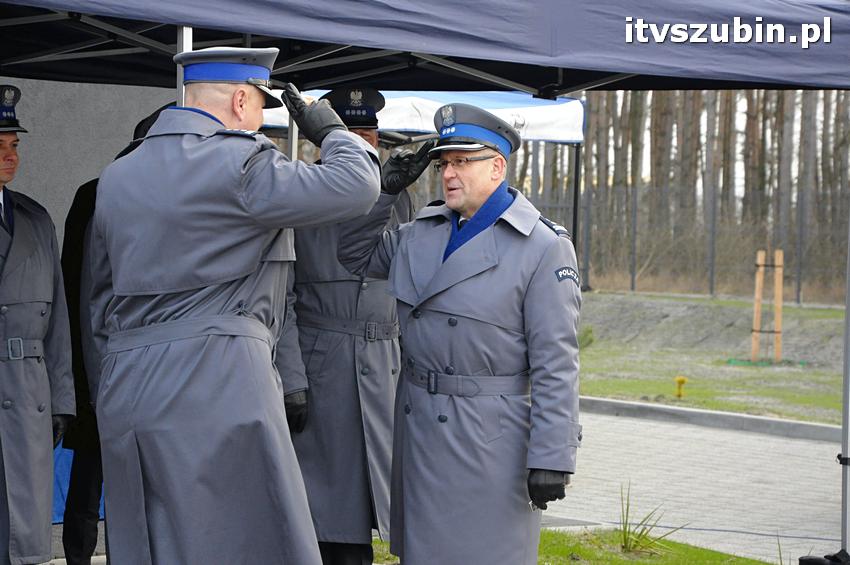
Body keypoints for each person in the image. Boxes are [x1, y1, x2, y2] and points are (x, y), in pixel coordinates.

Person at [86, 47, 381, 564]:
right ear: (242, 99)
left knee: (156, 542)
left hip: (128, 383)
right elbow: (356, 186)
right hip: (220, 378)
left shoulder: (118, 175)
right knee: (242, 540)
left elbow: (100, 301)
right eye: (262, 107)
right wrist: (332, 132)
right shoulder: (242, 162)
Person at [337, 103, 582, 565]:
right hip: (418, 427)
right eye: (443, 162)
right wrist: (383, 191)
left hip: (489, 439)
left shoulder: (543, 247)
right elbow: (352, 254)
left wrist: (553, 455)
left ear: (497, 167)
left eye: (462, 162)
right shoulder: (420, 233)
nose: (448, 173)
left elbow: (557, 362)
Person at [280, 87, 431, 565]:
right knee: (326, 514)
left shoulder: (397, 195)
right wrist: (290, 375)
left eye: (370, 135)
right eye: (353, 137)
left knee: (375, 505)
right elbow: (280, 293)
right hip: (323, 365)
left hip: (383, 361)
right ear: (324, 143)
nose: (366, 146)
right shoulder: (299, 192)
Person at [60, 103, 170, 565]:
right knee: (92, 476)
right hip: (103, 360)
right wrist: (94, 376)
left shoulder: (160, 195)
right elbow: (86, 289)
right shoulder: (102, 193)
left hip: (145, 361)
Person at [0, 84, 75, 565]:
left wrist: (62, 398)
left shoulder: (34, 218)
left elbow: (59, 322)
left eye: (14, 144)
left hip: (27, 391)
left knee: (22, 531)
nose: (10, 156)